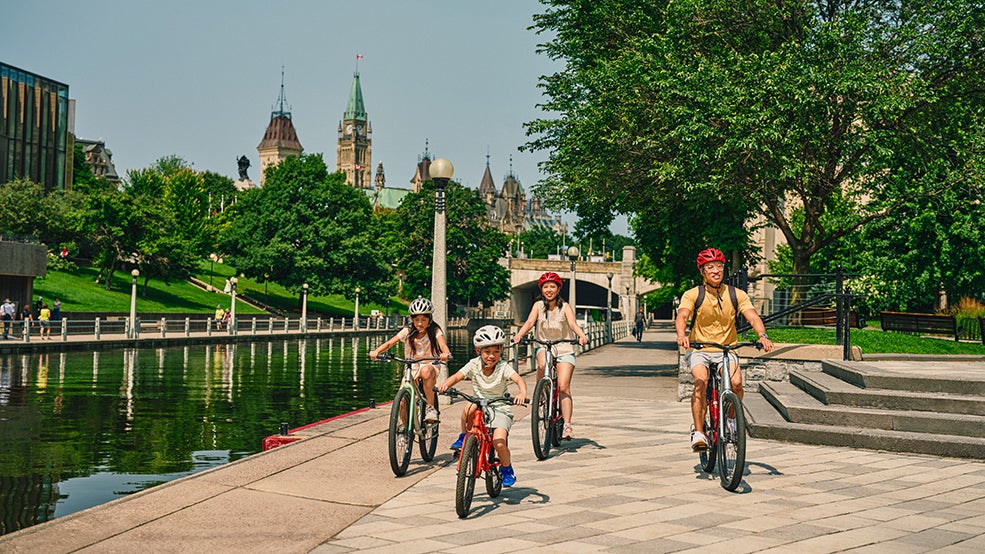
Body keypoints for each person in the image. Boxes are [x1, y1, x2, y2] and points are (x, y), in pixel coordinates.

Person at [675, 247, 775, 452]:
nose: (716, 271)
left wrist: (762, 336)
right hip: (699, 349)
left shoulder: (736, 294)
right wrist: (682, 334)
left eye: (719, 266)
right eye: (710, 267)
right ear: (702, 271)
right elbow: (682, 316)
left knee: (737, 384)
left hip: (726, 350)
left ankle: (730, 422)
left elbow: (753, 316)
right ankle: (699, 432)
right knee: (700, 382)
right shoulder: (693, 294)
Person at [438, 325, 527, 487]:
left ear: (501, 352)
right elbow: (458, 376)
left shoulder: (503, 367)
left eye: (496, 352)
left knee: (499, 443)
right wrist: (445, 385)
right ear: (478, 351)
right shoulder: (473, 365)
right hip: (479, 405)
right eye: (487, 352)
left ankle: (507, 469)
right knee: (469, 407)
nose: (491, 356)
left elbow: (519, 379)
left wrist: (522, 393)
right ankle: (465, 435)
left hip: (500, 407)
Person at [511, 271, 589, 440]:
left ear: (558, 289)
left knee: (563, 386)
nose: (549, 290)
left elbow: (572, 324)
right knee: (541, 365)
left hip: (565, 347)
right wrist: (520, 335)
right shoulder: (538, 306)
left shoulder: (565, 307)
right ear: (542, 289)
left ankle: (567, 425)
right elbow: (530, 322)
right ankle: (541, 392)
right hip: (544, 345)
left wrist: (582, 336)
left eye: (552, 286)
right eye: (545, 287)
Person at [369, 297, 451, 423]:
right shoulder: (408, 330)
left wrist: (445, 353)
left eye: (423, 319)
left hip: (430, 364)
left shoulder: (435, 330)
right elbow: (390, 343)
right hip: (411, 366)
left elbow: (442, 344)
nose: (420, 323)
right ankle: (405, 430)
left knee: (426, 371)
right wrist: (377, 352)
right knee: (402, 400)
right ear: (412, 319)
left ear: (429, 319)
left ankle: (430, 407)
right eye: (416, 319)